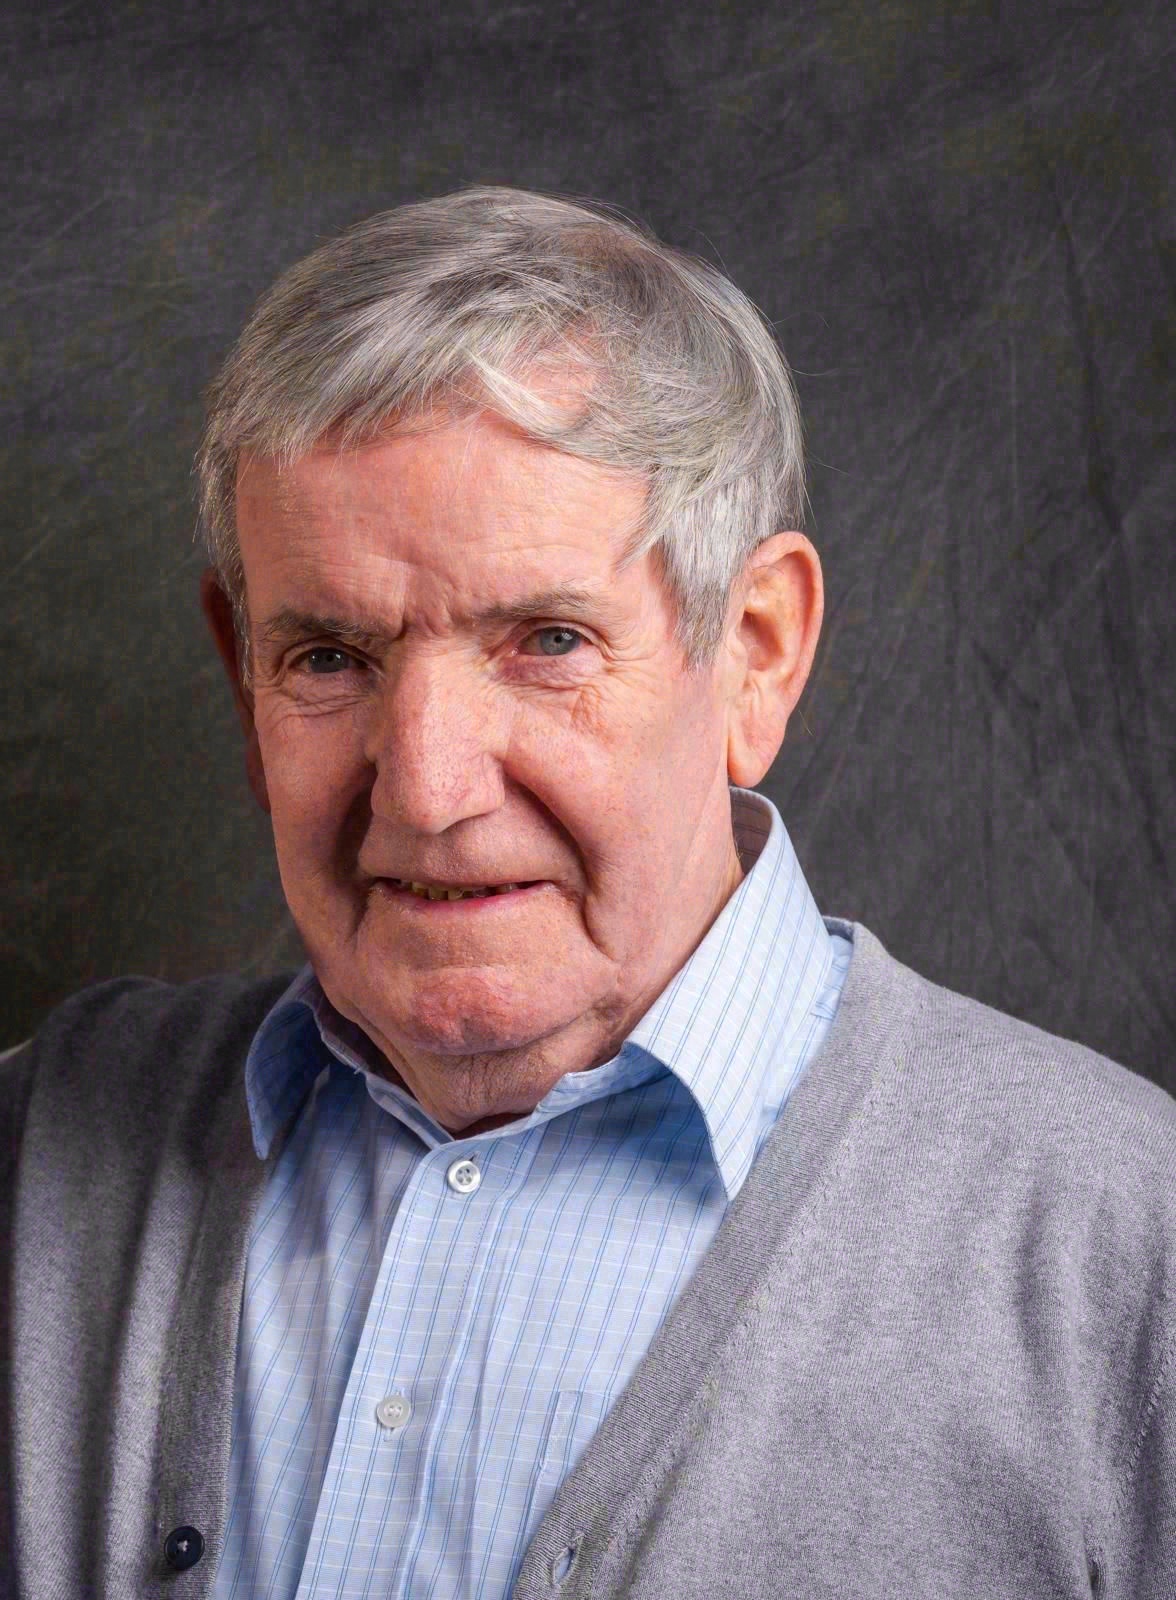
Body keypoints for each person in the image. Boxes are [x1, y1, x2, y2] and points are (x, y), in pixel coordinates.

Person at [2, 186, 1173, 1600]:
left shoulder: (1124, 1254)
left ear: (756, 652)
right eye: (328, 658)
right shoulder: (43, 1152)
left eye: (546, 641)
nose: (427, 787)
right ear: (241, 672)